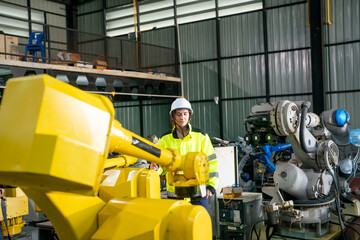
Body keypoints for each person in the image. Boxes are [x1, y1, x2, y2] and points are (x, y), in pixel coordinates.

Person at [151, 97, 219, 212]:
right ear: (173, 116)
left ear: (189, 115)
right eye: (178, 114)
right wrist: (155, 169)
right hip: (175, 194)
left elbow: (211, 162)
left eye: (185, 114)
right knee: (177, 228)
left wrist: (211, 186)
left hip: (198, 192)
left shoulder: (201, 136)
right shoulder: (165, 139)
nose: (182, 117)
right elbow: (161, 165)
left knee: (201, 226)